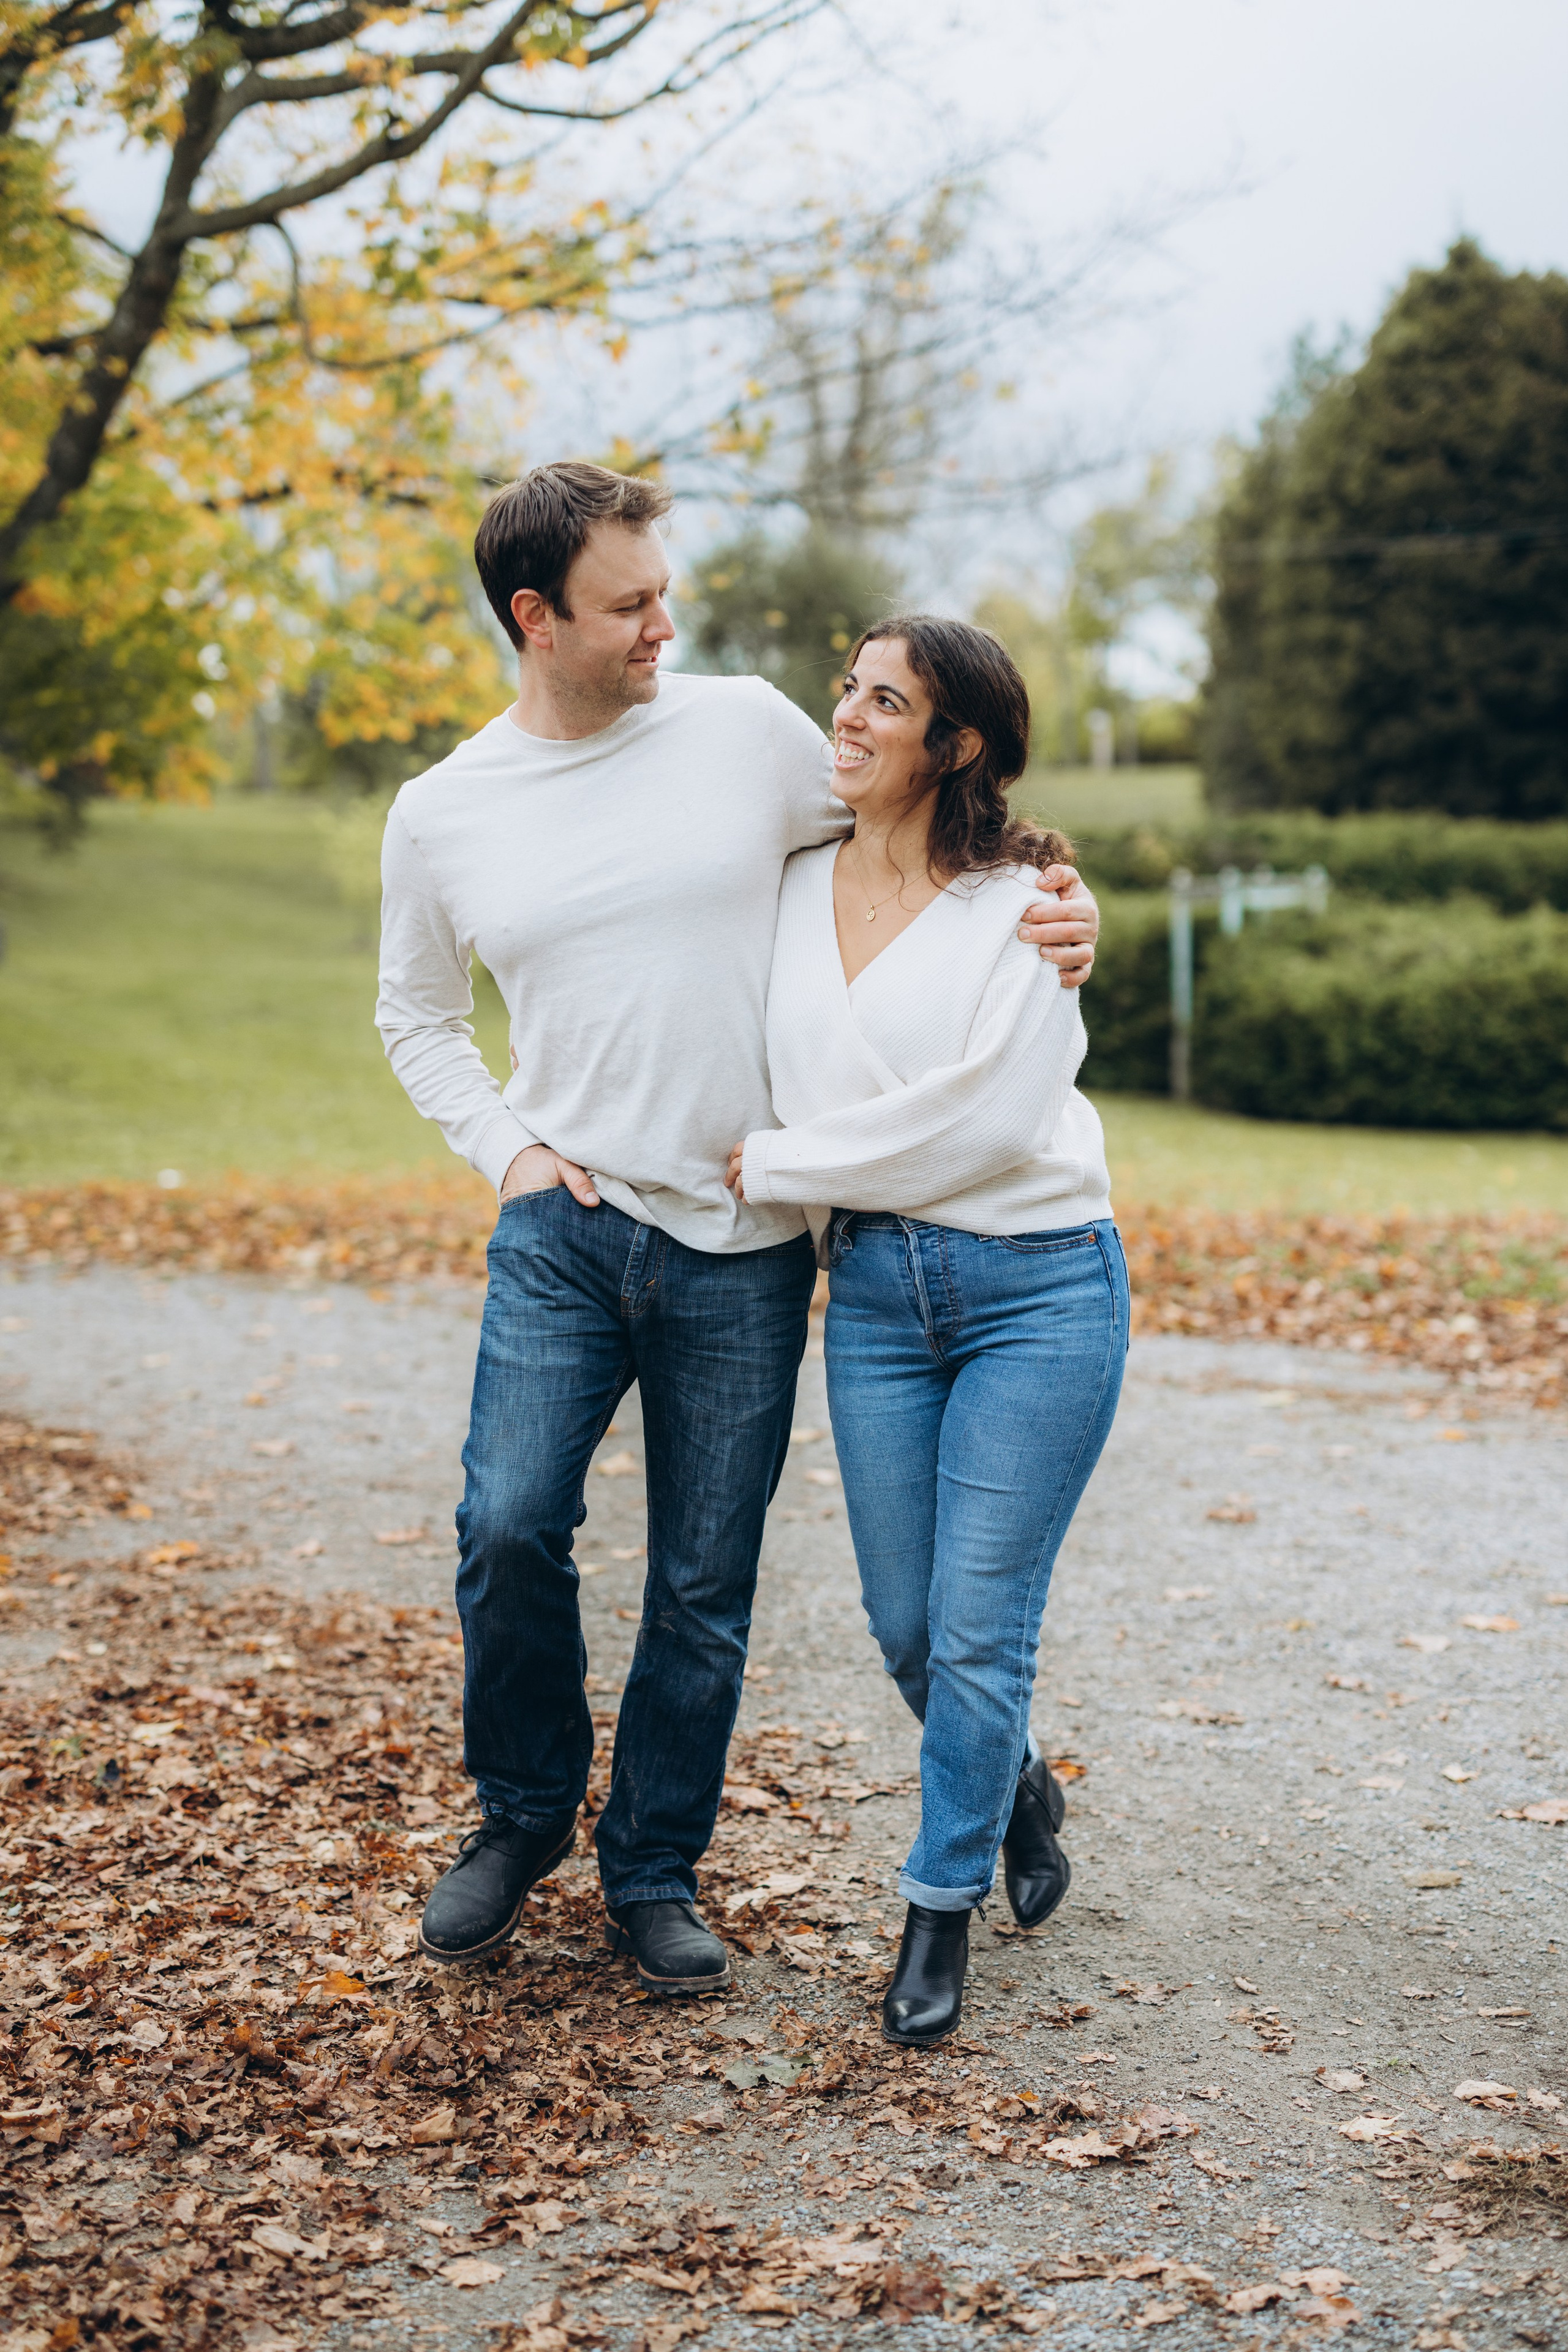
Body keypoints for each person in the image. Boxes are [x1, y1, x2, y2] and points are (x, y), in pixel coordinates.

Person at [376, 463, 1102, 1997]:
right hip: (565, 1231)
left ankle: (650, 1869)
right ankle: (517, 1820)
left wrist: (1054, 898)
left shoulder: (746, 730)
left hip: (748, 1240)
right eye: (628, 603)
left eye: (662, 592)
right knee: (505, 1527)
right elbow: (416, 1016)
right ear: (534, 617)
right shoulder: (442, 814)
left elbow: (920, 834)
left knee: (703, 1586)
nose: (662, 623)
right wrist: (505, 1148)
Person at [725, 615, 1126, 2046]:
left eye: (881, 699)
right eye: (847, 686)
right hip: (881, 1301)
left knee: (975, 1629)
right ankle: (1015, 1783)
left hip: (1038, 1289)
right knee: (908, 1626)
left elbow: (985, 1122)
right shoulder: (777, 887)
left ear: (951, 745)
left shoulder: (1022, 905)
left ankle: (936, 1903)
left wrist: (780, 1168)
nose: (845, 714)